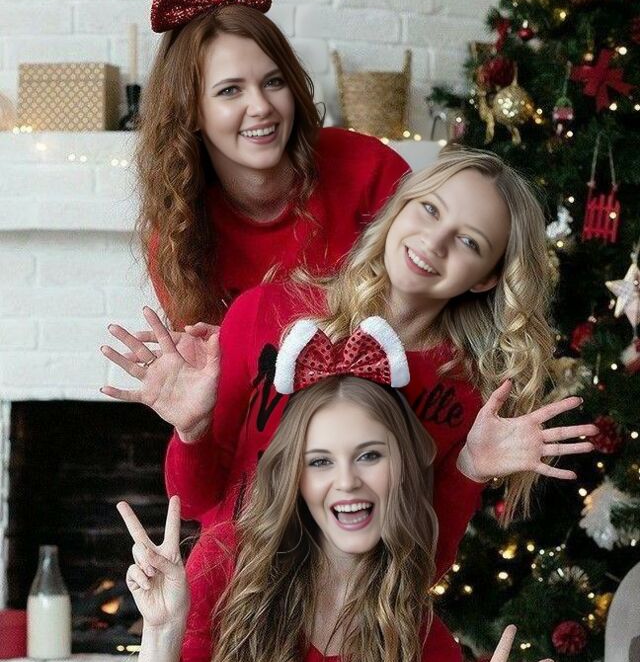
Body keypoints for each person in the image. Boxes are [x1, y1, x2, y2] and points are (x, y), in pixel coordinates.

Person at [63, 321, 554, 662]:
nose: (347, 482)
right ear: (294, 478)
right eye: (320, 461)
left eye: (369, 456)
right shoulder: (225, 565)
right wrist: (163, 631)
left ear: (402, 471)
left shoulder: (426, 648)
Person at [102, 147, 597, 578]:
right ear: (400, 208)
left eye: (470, 241)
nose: (435, 241)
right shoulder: (264, 312)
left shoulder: (466, 393)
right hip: (223, 607)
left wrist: (469, 468)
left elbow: (420, 568)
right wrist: (192, 429)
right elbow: (193, 502)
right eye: (429, 209)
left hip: (341, 633)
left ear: (487, 277)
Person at [140, 0, 409, 326]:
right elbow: (219, 356)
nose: (262, 107)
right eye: (230, 90)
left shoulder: (370, 168)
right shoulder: (177, 236)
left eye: (273, 82)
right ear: (192, 112)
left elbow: (434, 316)